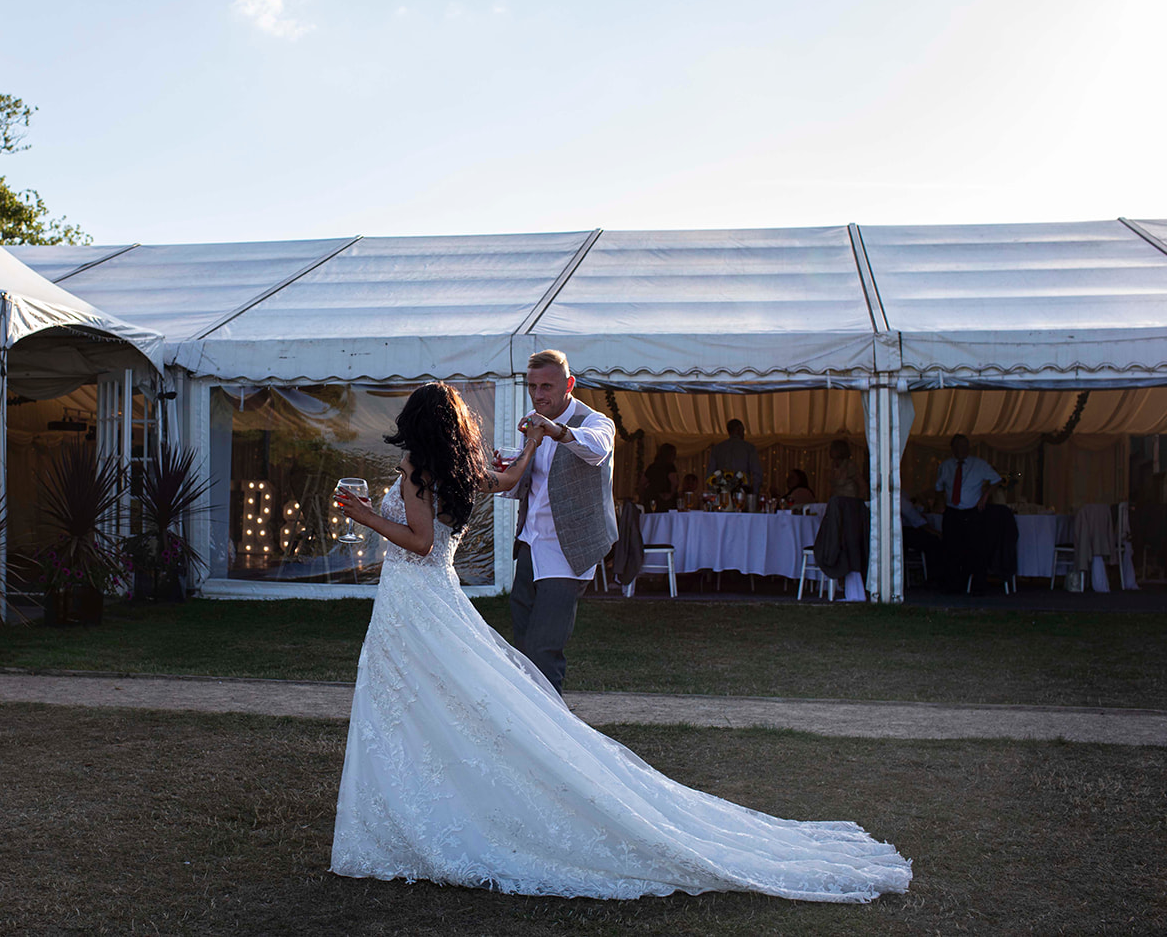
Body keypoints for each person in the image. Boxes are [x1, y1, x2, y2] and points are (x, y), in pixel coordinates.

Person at [329, 381, 911, 901]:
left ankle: (412, 811)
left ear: (417, 423)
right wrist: (532, 446)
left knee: (413, 702)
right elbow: (507, 480)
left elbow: (422, 543)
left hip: (415, 602)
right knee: (445, 702)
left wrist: (363, 515)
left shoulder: (415, 472)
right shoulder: (458, 467)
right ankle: (417, 806)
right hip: (438, 601)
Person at [505, 350, 617, 693]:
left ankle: (551, 732)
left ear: (569, 384)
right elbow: (536, 481)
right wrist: (510, 463)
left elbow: (597, 450)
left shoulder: (595, 422)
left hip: (568, 552)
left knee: (544, 649)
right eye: (533, 387)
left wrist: (559, 432)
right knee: (522, 647)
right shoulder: (533, 420)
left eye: (547, 387)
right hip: (530, 544)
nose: (539, 395)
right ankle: (525, 720)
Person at [935, 434, 1000, 594]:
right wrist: (941, 502)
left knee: (976, 549)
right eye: (957, 447)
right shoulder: (946, 466)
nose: (961, 450)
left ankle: (978, 585)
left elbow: (996, 479)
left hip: (972, 512)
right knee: (951, 549)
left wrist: (985, 496)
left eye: (964, 446)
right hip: (952, 512)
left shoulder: (979, 465)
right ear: (952, 449)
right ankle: (954, 585)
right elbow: (938, 487)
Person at [709, 418, 764, 493]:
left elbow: (710, 473)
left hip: (722, 491)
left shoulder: (717, 448)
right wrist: (754, 492)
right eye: (743, 431)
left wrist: (714, 491)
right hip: (742, 491)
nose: (744, 433)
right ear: (738, 429)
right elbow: (757, 473)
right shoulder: (749, 448)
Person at [641, 442, 678, 511]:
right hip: (665, 499)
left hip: (652, 497)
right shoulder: (670, 467)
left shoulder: (652, 467)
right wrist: (670, 494)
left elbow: (643, 482)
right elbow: (674, 483)